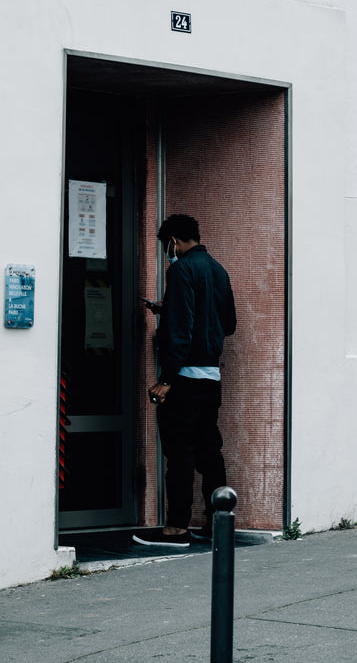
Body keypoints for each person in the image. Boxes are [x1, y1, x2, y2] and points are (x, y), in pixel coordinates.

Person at [133, 214, 237, 548]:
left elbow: (181, 332)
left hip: (184, 378)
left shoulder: (180, 270)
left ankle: (176, 528)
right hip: (211, 377)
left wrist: (166, 378)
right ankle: (217, 523)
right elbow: (228, 323)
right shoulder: (218, 270)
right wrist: (171, 309)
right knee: (210, 452)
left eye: (168, 245)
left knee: (180, 453)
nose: (169, 251)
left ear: (174, 242)